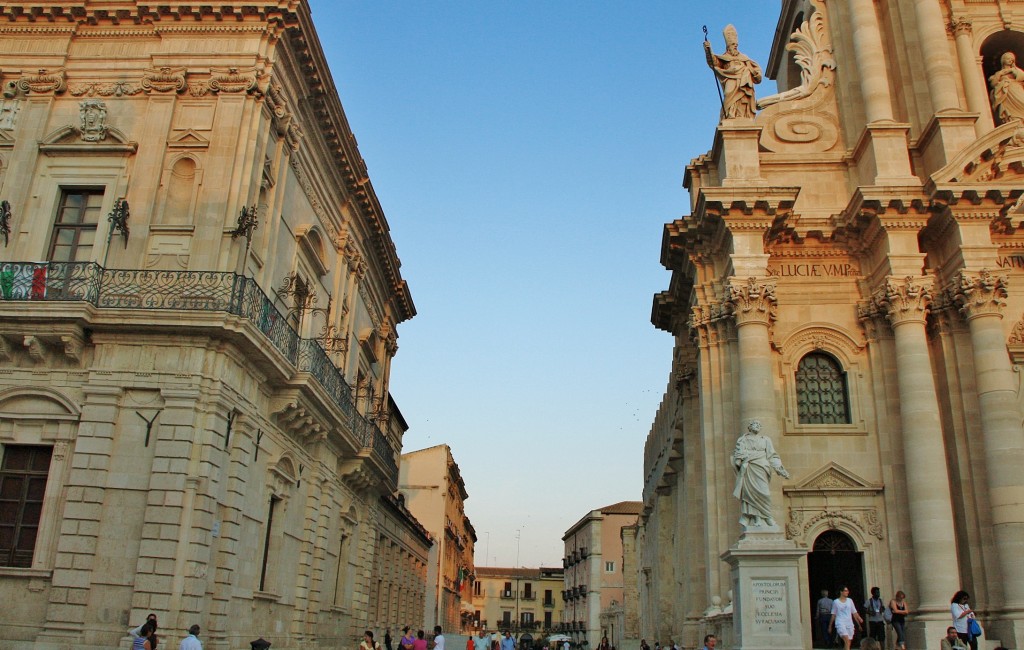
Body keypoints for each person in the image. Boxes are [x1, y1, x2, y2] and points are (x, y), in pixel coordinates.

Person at [731, 420, 790, 527]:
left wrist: (780, 469)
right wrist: (740, 461)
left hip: (762, 467)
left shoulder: (766, 440)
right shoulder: (743, 439)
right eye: (755, 424)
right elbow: (738, 455)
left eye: (759, 425)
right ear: (749, 427)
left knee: (764, 493)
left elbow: (772, 456)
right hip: (749, 468)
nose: (757, 426)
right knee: (752, 494)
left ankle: (767, 516)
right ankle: (758, 519)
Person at [704, 24, 763, 119]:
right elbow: (713, 62)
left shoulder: (744, 58)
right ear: (728, 46)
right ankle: (730, 114)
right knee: (728, 94)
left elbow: (756, 70)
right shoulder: (724, 57)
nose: (735, 46)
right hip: (730, 79)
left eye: (736, 45)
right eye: (733, 45)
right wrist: (708, 49)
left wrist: (756, 74)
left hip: (744, 80)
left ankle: (742, 115)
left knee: (743, 98)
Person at [990, 51, 1024, 124]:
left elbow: (1022, 77)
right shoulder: (999, 73)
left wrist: (1011, 70)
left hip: (1016, 89)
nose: (1010, 60)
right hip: (1005, 93)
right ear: (1003, 60)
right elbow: (993, 83)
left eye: (1012, 59)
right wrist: (1001, 74)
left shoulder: (1016, 70)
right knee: (1011, 111)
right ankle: (1015, 121)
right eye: (1008, 58)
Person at [830, 586, 864, 650]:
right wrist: (830, 626)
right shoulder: (836, 602)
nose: (847, 592)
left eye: (847, 591)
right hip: (840, 622)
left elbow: (854, 612)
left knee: (848, 642)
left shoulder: (850, 601)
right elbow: (833, 614)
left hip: (849, 623)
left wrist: (859, 618)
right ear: (841, 592)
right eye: (845, 591)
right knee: (846, 639)